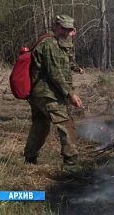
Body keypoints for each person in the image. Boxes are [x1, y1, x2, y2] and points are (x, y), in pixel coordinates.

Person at [24, 14, 83, 165]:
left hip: (41, 94)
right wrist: (70, 94)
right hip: (47, 94)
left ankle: (30, 158)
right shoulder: (50, 44)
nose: (65, 32)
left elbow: (66, 59)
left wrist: (77, 68)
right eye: (63, 28)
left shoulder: (59, 43)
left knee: (40, 125)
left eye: (68, 29)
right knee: (65, 123)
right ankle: (71, 160)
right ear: (56, 26)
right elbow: (55, 72)